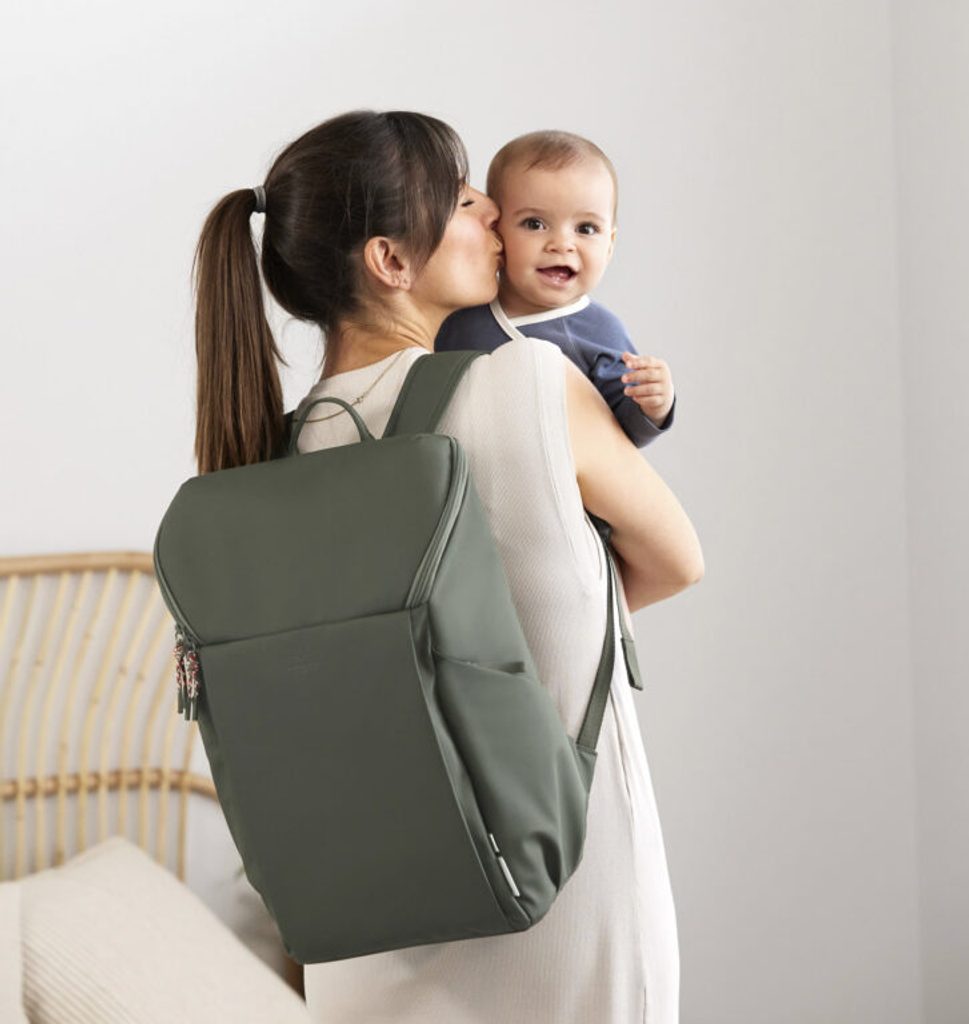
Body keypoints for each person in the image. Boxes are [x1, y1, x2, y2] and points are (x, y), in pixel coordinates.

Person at [190, 108, 704, 1024]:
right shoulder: (527, 382)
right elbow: (676, 561)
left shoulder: (267, 456)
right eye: (467, 202)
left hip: (363, 933)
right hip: (560, 895)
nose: (496, 217)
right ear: (392, 260)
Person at [435, 129, 676, 449]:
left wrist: (653, 406)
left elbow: (621, 436)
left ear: (610, 245)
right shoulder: (460, 313)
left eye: (586, 228)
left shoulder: (599, 331)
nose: (562, 244)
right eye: (534, 224)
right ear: (497, 231)